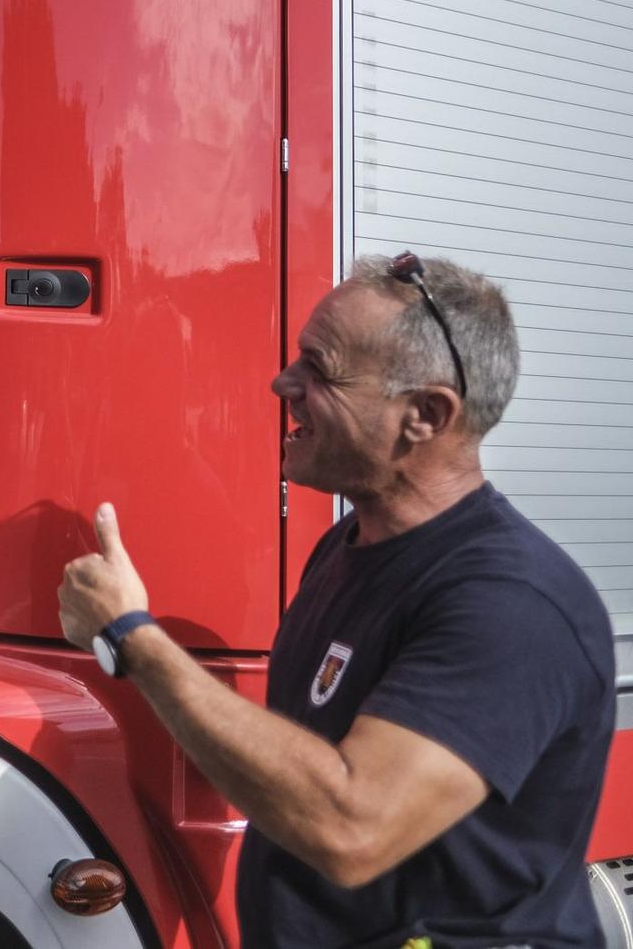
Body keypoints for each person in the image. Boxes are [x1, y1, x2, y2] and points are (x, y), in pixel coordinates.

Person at [57, 253, 613, 946]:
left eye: (320, 370)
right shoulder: (348, 546)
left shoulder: (510, 605)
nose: (281, 382)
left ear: (425, 415)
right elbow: (298, 771)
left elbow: (352, 827)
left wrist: (131, 636)